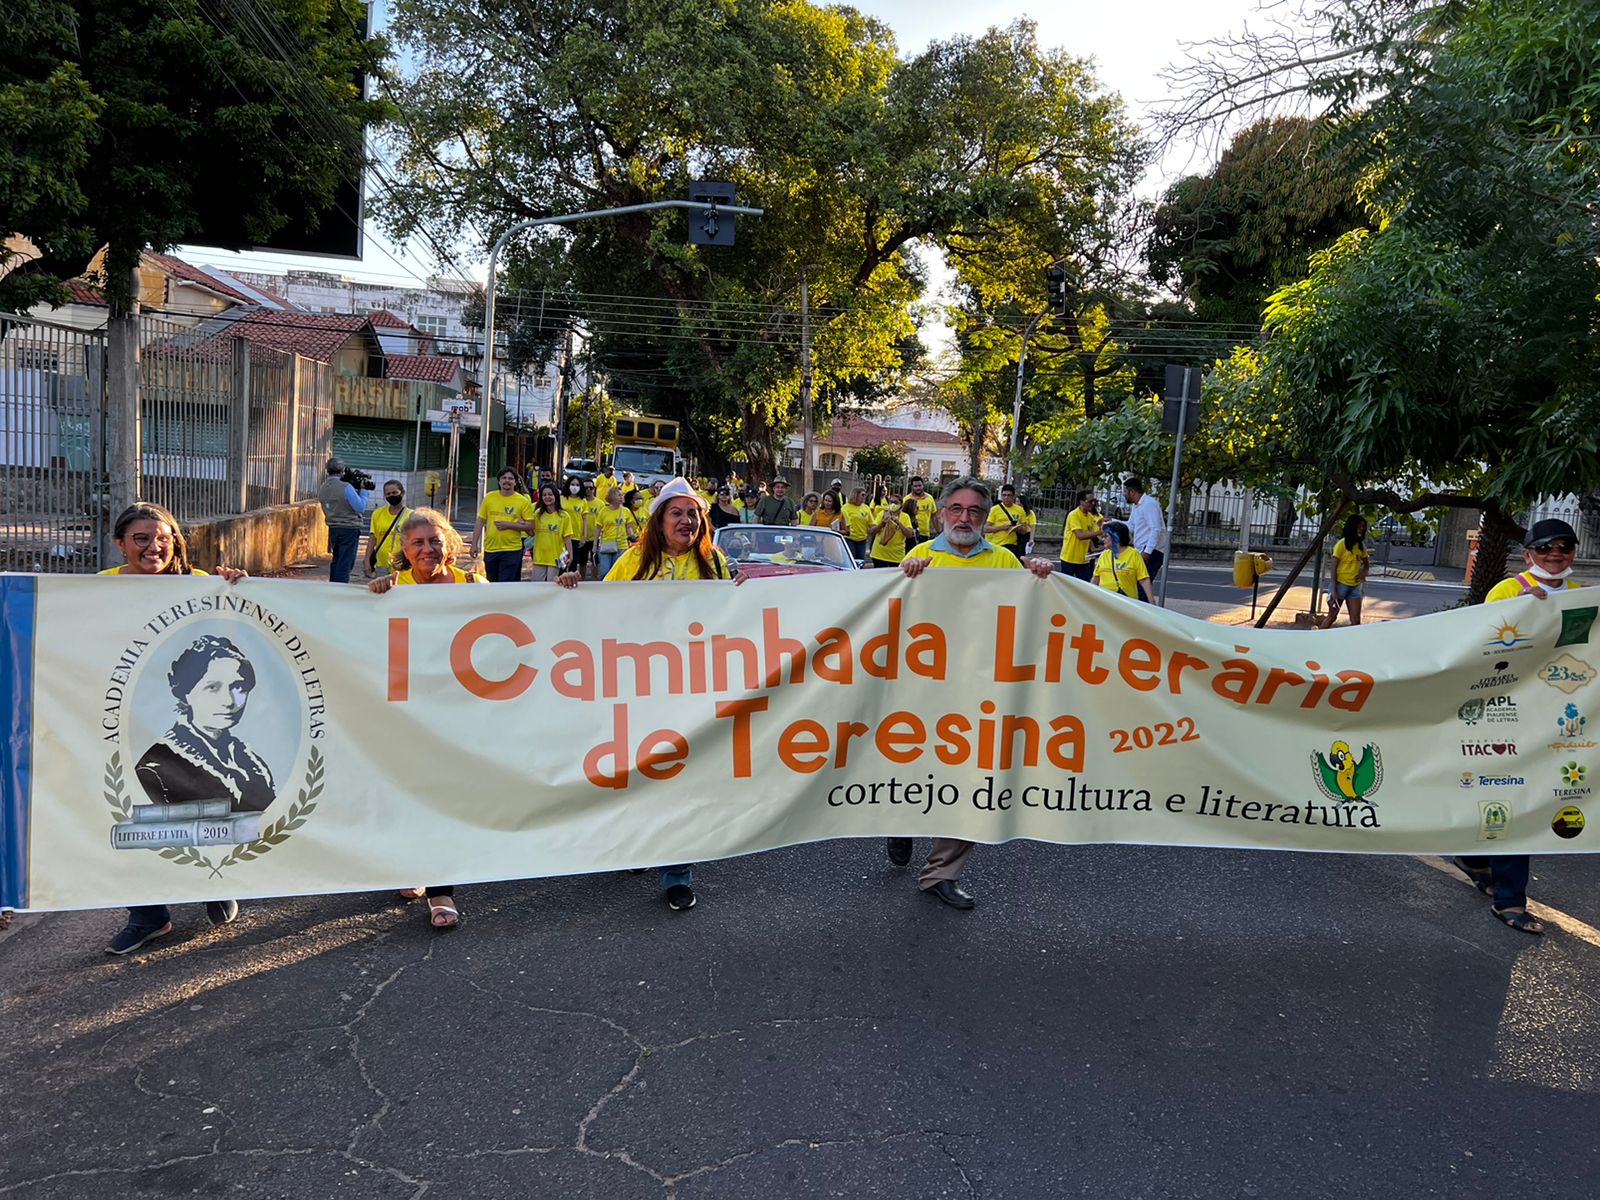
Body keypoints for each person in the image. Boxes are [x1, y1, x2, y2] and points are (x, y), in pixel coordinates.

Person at [556, 478, 746, 911]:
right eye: (676, 513)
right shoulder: (631, 561)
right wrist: (571, 589)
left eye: (693, 514)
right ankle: (638, 843)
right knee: (637, 774)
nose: (686, 520)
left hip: (691, 692)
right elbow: (599, 609)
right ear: (659, 520)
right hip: (639, 690)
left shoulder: (714, 564)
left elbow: (735, 621)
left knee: (681, 781)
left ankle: (677, 872)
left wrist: (746, 593)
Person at [886, 478, 1054, 910]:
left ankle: (941, 873)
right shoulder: (918, 557)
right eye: (956, 509)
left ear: (986, 517)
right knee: (913, 768)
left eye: (975, 511)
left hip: (982, 692)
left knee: (973, 780)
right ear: (941, 513)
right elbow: (889, 623)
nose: (965, 518)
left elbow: (1032, 617)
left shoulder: (1004, 561)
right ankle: (900, 819)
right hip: (924, 689)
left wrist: (1039, 579)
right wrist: (903, 583)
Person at [99, 502, 250, 955]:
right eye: (141, 538)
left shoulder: (200, 585)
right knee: (128, 810)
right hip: (121, 718)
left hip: (180, 719)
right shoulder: (94, 590)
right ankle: (147, 915)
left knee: (199, 797)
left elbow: (236, 630)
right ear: (120, 543)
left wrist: (240, 588)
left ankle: (212, 883)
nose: (153, 546)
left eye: (162, 537)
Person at [1456, 518, 1588, 936]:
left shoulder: (1582, 596)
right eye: (1546, 547)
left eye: (1564, 547)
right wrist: (1524, 614)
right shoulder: (1508, 592)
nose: (1556, 554)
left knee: (1520, 797)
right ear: (1528, 553)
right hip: (1506, 713)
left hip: (1559, 718)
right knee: (1514, 798)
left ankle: (1468, 854)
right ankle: (1509, 900)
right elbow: (1482, 645)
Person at [369, 508, 486, 929]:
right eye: (417, 542)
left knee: (446, 796)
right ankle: (414, 863)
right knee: (407, 791)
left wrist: (565, 590)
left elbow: (521, 618)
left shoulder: (474, 586)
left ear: (449, 543)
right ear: (403, 548)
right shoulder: (392, 590)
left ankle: (441, 889)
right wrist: (376, 595)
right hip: (407, 714)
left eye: (434, 541)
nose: (427, 549)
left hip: (458, 713)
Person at [136, 635, 274, 812]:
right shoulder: (157, 766)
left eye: (238, 687)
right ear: (186, 692)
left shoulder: (254, 765)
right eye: (212, 687)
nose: (228, 701)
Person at [471, 468, 535, 582]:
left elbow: (531, 526)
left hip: (512, 550)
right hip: (491, 549)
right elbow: (480, 521)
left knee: (505, 582)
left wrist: (509, 525)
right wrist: (474, 544)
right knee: (492, 582)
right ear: (499, 481)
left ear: (515, 482)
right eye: (504, 478)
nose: (507, 481)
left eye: (511, 478)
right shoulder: (490, 497)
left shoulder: (522, 501)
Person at [318, 457, 370, 584]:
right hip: (349, 528)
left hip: (333, 527)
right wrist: (363, 491)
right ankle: (340, 589)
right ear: (342, 470)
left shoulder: (323, 487)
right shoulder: (346, 487)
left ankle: (334, 585)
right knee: (346, 562)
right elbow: (360, 507)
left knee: (337, 560)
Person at [515, 483, 576, 582]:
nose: (547, 497)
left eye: (550, 494)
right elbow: (531, 533)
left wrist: (570, 555)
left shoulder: (564, 516)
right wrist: (523, 525)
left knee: (553, 585)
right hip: (539, 557)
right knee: (536, 586)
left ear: (556, 496)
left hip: (555, 558)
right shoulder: (537, 514)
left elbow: (567, 538)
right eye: (544, 495)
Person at [1319, 514, 1371, 628]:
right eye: (1360, 526)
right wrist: (1333, 589)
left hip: (1354, 587)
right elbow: (1333, 567)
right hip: (1340, 585)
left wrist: (1363, 573)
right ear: (1352, 527)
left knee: (1356, 621)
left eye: (1364, 527)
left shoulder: (1361, 546)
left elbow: (1367, 564)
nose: (1362, 529)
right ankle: (1317, 638)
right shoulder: (1341, 544)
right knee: (1332, 616)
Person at [1123, 477, 1167, 601]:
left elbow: (1156, 529)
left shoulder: (1149, 504)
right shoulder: (1136, 506)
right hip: (1141, 550)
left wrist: (1147, 552)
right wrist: (1112, 522)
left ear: (1132, 492)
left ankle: (1145, 613)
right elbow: (1130, 526)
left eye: (1125, 492)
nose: (1124, 495)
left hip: (1153, 551)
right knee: (1137, 586)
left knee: (1142, 585)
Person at [1092, 520, 1154, 601]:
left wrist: (1151, 600)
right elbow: (1096, 578)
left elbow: (1144, 579)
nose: (1103, 539)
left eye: (1106, 536)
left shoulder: (1133, 554)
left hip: (1127, 603)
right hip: (1104, 602)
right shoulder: (1104, 555)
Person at [365, 481, 411, 578]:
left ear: (402, 493)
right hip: (382, 564)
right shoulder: (377, 514)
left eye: (394, 493)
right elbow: (372, 538)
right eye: (388, 494)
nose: (391, 496)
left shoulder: (411, 515)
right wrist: (367, 561)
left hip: (403, 563)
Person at [594, 486, 639, 578]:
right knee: (605, 571)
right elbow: (598, 529)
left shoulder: (626, 511)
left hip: (621, 545)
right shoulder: (604, 511)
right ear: (611, 497)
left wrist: (633, 536)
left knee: (617, 572)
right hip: (606, 544)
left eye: (622, 495)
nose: (621, 497)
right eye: (619, 495)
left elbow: (629, 527)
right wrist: (595, 545)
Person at [1059, 491, 1103, 580]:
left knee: (1085, 585)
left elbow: (1090, 534)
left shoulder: (1090, 517)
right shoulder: (1073, 515)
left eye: (1094, 501)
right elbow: (1080, 535)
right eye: (1090, 501)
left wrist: (1093, 547)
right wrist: (1100, 532)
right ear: (1081, 502)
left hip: (1084, 559)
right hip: (1069, 558)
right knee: (1066, 585)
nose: (1093, 504)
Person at [985, 483, 1034, 563]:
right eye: (1004, 495)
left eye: (1009, 495)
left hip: (1013, 545)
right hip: (998, 545)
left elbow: (1024, 530)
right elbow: (986, 529)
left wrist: (1018, 528)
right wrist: (1002, 527)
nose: (1006, 498)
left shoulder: (1020, 510)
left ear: (1014, 496)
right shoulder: (995, 509)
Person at [866, 497, 912, 569]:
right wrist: (882, 524)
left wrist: (898, 522)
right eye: (891, 502)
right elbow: (871, 531)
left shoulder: (905, 517)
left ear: (901, 505)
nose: (893, 504)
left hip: (896, 556)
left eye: (896, 503)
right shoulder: (882, 514)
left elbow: (909, 534)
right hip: (879, 554)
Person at [841, 485, 874, 562]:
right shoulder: (845, 508)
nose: (864, 497)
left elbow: (872, 523)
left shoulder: (866, 508)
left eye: (865, 495)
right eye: (862, 495)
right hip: (850, 538)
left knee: (860, 561)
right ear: (855, 495)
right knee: (851, 560)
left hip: (862, 539)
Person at [900, 476, 936, 545]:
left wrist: (938, 531)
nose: (918, 488)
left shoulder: (930, 498)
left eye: (919, 485)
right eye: (915, 486)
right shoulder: (906, 499)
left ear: (923, 485)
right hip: (911, 534)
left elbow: (934, 515)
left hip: (925, 534)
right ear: (912, 487)